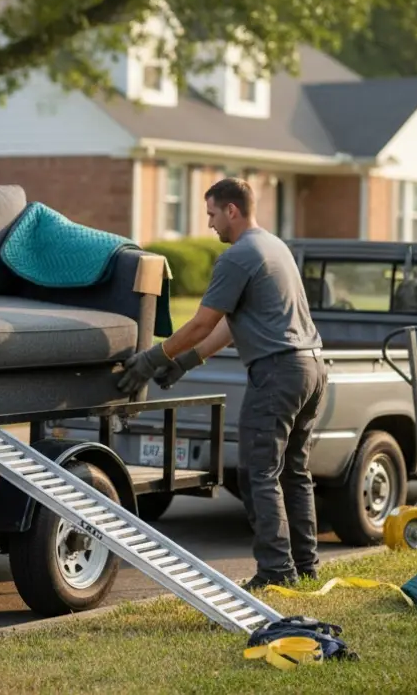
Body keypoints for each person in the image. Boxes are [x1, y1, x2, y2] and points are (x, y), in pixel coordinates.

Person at [117, 177, 326, 589]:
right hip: (312, 368)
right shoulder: (274, 247)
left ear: (232, 210)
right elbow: (232, 324)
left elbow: (202, 323)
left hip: (278, 372)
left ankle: (276, 571)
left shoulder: (239, 256)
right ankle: (305, 567)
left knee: (258, 473)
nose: (210, 223)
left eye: (212, 213)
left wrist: (153, 359)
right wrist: (188, 361)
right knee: (293, 472)